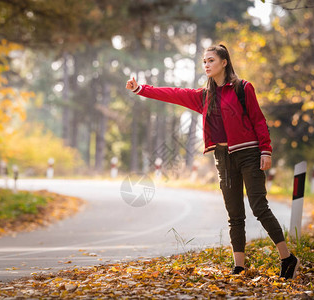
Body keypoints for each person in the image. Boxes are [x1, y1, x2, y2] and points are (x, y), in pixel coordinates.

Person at [125, 44, 299, 279]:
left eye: (211, 61)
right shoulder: (205, 96)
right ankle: (239, 267)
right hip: (223, 157)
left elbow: (258, 120)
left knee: (259, 208)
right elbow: (173, 93)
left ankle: (287, 258)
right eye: (204, 61)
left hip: (249, 153)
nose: (206, 65)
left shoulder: (243, 88)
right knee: (235, 214)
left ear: (224, 62)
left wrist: (266, 151)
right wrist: (140, 89)